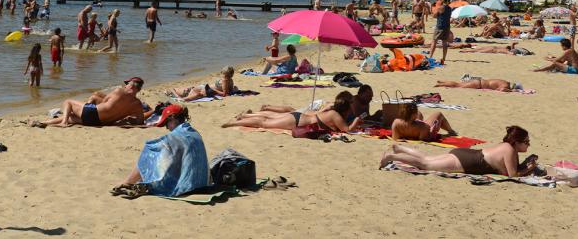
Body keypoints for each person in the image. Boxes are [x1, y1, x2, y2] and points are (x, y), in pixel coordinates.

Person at [113, 104, 208, 198]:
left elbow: (152, 147)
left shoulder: (176, 137)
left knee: (150, 150)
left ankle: (128, 182)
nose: (167, 127)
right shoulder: (194, 133)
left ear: (173, 119)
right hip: (202, 183)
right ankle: (139, 183)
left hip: (186, 187)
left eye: (166, 123)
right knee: (169, 155)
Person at [379, 126, 536, 177]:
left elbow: (511, 168)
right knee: (425, 164)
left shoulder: (508, 147)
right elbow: (512, 175)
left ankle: (399, 148)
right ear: (516, 142)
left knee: (428, 158)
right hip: (468, 161)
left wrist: (525, 163)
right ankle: (391, 156)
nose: (528, 145)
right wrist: (529, 168)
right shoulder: (509, 150)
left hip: (466, 155)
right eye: (526, 142)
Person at [221, 91, 362, 132]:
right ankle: (233, 123)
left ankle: (240, 119)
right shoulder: (334, 114)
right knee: (264, 123)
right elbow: (347, 129)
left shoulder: (332, 111)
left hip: (299, 118)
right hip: (297, 121)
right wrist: (357, 120)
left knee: (268, 120)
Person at [44, 77, 146, 126]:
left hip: (93, 113)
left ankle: (64, 122)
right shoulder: (137, 105)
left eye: (127, 84)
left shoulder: (119, 91)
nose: (125, 85)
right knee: (72, 117)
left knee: (68, 102)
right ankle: (44, 123)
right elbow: (140, 122)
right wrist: (127, 119)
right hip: (102, 122)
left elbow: (105, 101)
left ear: (131, 85)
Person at [390, 105, 458, 141]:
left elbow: (395, 137)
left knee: (420, 114)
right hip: (421, 130)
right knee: (439, 114)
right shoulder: (422, 126)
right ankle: (451, 131)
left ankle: (450, 131)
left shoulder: (396, 122)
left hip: (407, 130)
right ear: (414, 114)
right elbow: (424, 139)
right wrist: (432, 130)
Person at [168, 66, 235, 101]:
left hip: (207, 90)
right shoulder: (230, 80)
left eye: (223, 74)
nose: (222, 75)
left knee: (191, 91)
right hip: (206, 88)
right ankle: (177, 94)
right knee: (190, 90)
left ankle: (179, 96)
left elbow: (225, 94)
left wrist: (214, 91)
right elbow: (230, 90)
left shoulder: (224, 80)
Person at [428, 0, 453, 65]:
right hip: (447, 27)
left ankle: (430, 56)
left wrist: (436, 7)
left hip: (440, 26)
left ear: (442, 0)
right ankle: (444, 58)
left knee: (434, 41)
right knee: (444, 42)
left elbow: (434, 15)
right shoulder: (449, 8)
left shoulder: (441, 7)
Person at [435, 77, 523, 92]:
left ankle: (443, 82)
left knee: (459, 84)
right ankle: (441, 85)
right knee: (458, 86)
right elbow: (501, 90)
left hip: (479, 81)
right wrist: (511, 91)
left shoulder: (505, 82)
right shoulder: (506, 86)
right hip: (479, 84)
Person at [459, 42, 533, 55]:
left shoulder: (509, 51)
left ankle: (467, 51)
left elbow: (512, 53)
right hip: (494, 48)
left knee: (477, 50)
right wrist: (512, 45)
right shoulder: (512, 49)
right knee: (478, 49)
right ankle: (468, 50)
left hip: (494, 49)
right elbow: (512, 50)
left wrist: (512, 45)